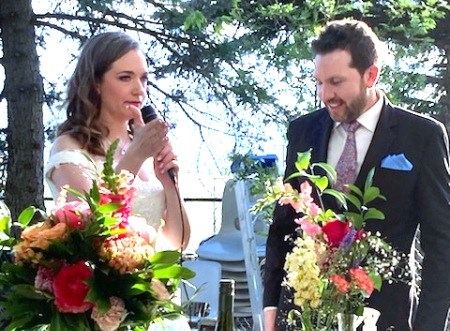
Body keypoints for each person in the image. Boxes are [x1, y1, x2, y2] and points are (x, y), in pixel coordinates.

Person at [263, 19, 450, 331]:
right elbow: (283, 224)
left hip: (386, 317)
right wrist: (271, 308)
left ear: (370, 75)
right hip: (302, 316)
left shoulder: (422, 136)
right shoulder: (303, 131)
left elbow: (442, 244)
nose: (325, 94)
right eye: (319, 82)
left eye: (336, 82)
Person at [44, 31, 191, 330]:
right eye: (125, 78)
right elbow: (92, 228)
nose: (139, 90)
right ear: (96, 84)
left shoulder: (145, 145)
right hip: (100, 310)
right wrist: (135, 158)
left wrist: (168, 182)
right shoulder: (69, 148)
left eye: (144, 79)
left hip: (151, 304)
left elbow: (175, 244)